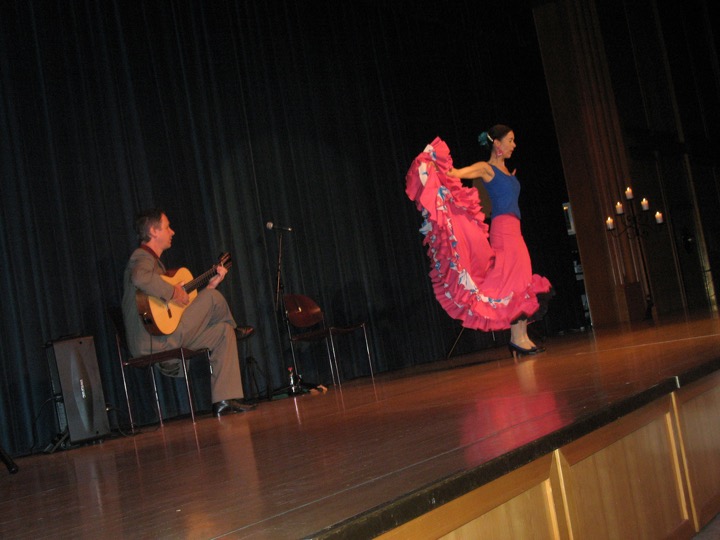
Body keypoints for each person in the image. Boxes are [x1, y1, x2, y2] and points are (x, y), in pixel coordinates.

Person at [405, 125, 552, 357]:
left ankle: (521, 336)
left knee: (522, 280)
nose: (514, 145)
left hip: (516, 229)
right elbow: (457, 173)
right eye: (510, 140)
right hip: (503, 231)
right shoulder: (487, 168)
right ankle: (517, 339)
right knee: (510, 279)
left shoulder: (505, 169)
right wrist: (436, 164)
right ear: (497, 143)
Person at [121, 208, 256, 416]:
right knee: (212, 299)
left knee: (222, 332)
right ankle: (235, 326)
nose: (172, 232)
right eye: (167, 227)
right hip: (153, 342)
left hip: (166, 335)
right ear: (153, 231)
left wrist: (210, 285)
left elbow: (176, 313)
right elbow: (139, 278)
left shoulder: (157, 266)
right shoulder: (141, 257)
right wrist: (173, 292)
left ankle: (224, 399)